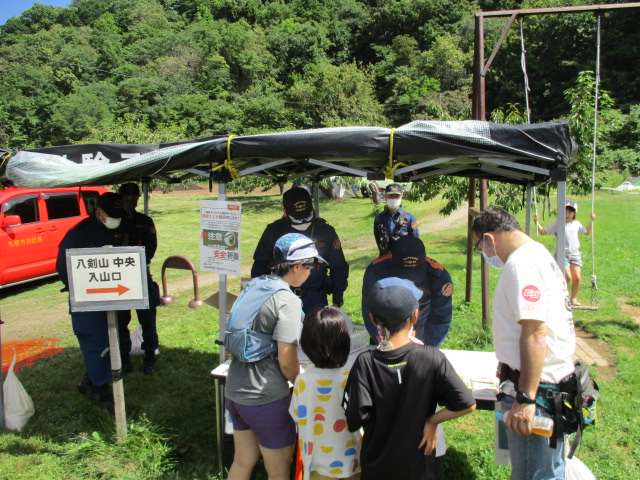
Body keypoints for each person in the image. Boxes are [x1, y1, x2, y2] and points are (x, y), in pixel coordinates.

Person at [472, 207, 576, 480]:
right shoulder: (538, 252)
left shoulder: (521, 264)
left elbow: (535, 332)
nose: (485, 254)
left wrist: (526, 398)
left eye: (479, 246)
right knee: (548, 470)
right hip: (550, 382)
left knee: (534, 472)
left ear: (489, 239)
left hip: (537, 391)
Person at [343, 277, 476, 480]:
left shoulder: (365, 363)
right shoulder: (431, 357)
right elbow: (466, 403)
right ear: (415, 316)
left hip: (378, 466)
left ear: (372, 319)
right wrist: (431, 421)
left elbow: (354, 419)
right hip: (418, 466)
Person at [226, 233, 326, 480]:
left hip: (236, 390)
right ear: (295, 266)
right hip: (266, 397)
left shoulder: (256, 285)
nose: (311, 272)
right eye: (310, 265)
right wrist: (303, 383)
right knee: (279, 471)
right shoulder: (287, 300)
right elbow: (286, 360)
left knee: (242, 462)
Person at [56, 192, 126, 410]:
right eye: (111, 215)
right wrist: (82, 291)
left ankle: (93, 378)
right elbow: (63, 266)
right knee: (94, 341)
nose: (116, 219)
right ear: (98, 213)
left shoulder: (119, 228)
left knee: (111, 339)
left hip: (114, 296)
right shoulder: (79, 233)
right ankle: (100, 389)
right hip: (87, 301)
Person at [290, 307, 362, 480]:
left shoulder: (303, 380)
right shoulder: (350, 378)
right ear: (344, 343)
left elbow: (296, 416)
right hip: (350, 462)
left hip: (315, 464)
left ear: (306, 344)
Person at [251, 187, 349, 313]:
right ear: (285, 212)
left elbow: (338, 267)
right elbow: (260, 267)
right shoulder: (274, 231)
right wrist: (261, 299)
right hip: (281, 297)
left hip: (315, 299)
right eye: (297, 217)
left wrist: (337, 301)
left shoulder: (325, 231)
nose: (302, 222)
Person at [362, 236, 453, 347]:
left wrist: (428, 350)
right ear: (392, 259)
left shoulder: (438, 275)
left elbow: (440, 318)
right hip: (386, 331)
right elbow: (370, 311)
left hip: (422, 329)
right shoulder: (376, 271)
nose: (409, 281)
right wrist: (385, 344)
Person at [116, 182, 161, 374]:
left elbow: (151, 247)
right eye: (125, 196)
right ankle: (124, 357)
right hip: (119, 278)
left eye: (132, 196)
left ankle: (149, 355)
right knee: (120, 320)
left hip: (140, 275)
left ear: (138, 198)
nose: (129, 199)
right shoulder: (114, 221)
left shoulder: (145, 220)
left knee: (148, 319)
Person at [534, 201, 595, 306]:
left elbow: (587, 232)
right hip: (561, 255)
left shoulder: (576, 224)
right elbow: (543, 232)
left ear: (574, 214)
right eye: (565, 211)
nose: (567, 214)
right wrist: (536, 222)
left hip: (575, 254)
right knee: (567, 277)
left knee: (577, 278)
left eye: (570, 212)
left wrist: (592, 220)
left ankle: (573, 298)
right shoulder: (558, 223)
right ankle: (561, 297)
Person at [373, 183, 419, 255]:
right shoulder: (379, 218)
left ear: (401, 197)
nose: (394, 199)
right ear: (385, 197)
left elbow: (416, 241)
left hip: (405, 258)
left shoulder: (410, 217)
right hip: (386, 259)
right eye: (391, 196)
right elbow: (378, 241)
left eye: (397, 196)